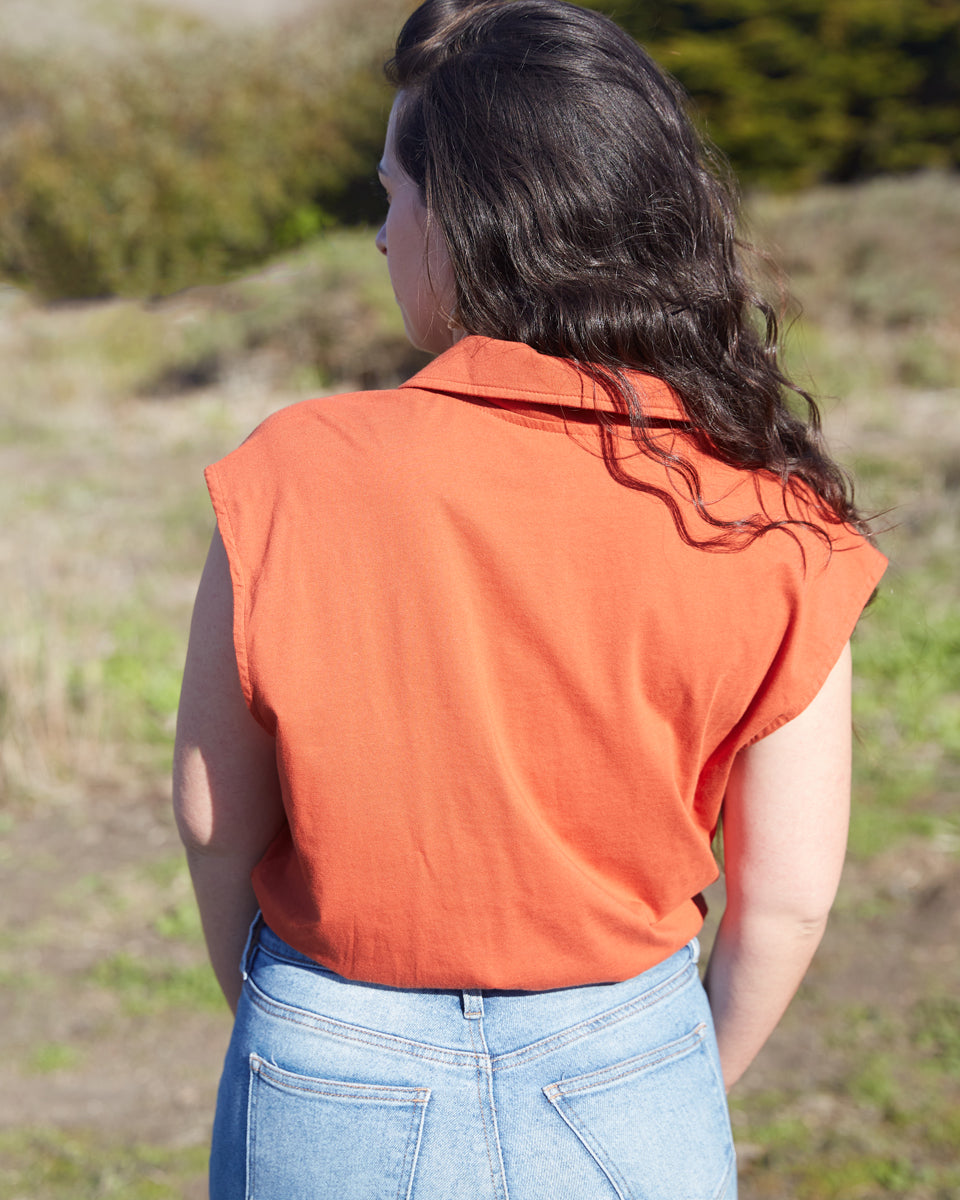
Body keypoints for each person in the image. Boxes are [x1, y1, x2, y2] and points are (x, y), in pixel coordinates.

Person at [173, 1, 886, 1196]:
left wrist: (294, 1028)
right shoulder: (772, 517)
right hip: (627, 1059)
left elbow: (214, 816)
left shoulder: (289, 471)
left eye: (392, 190)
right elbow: (790, 900)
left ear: (466, 220)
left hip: (330, 1046)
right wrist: (665, 1078)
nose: (381, 230)